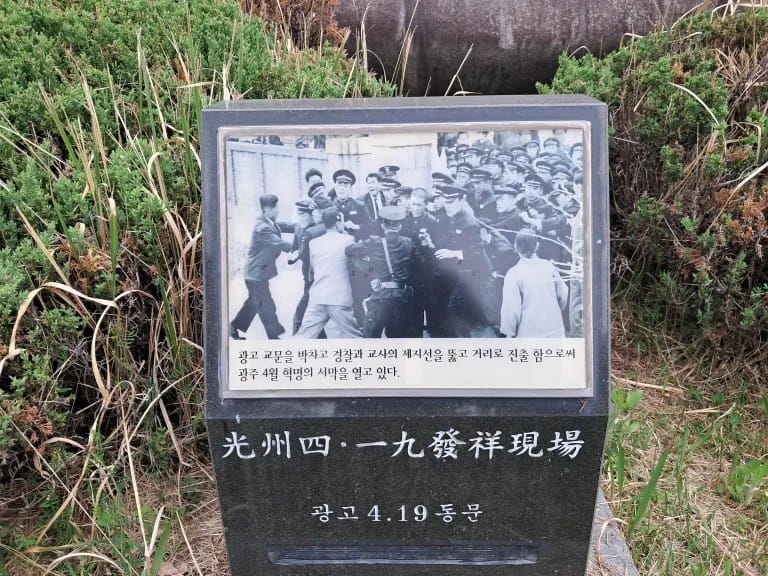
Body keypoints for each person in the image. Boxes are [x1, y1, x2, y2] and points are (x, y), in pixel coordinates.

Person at [345, 205, 420, 338]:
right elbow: (418, 264)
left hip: (380, 297)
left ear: (383, 225)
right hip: (402, 298)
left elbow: (350, 251)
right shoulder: (409, 243)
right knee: (398, 339)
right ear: (400, 226)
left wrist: (370, 272)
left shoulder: (374, 242)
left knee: (371, 339)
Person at [230, 194, 295, 340]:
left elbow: (286, 225)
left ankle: (233, 327)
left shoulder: (270, 221)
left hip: (258, 273)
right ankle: (273, 337)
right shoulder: (262, 227)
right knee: (266, 305)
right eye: (276, 207)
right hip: (255, 274)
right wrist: (298, 248)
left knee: (254, 302)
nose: (278, 210)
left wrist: (302, 226)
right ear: (267, 209)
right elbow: (279, 243)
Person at [294, 208, 362, 339]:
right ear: (338, 223)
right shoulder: (348, 240)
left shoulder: (314, 243)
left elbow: (313, 267)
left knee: (304, 336)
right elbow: (356, 267)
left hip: (317, 297)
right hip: (339, 298)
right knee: (354, 337)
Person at [500, 228, 568, 338]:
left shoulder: (514, 274)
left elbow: (511, 311)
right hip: (555, 330)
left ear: (516, 246)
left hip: (529, 335)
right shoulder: (549, 267)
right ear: (537, 245)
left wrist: (510, 334)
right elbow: (563, 295)